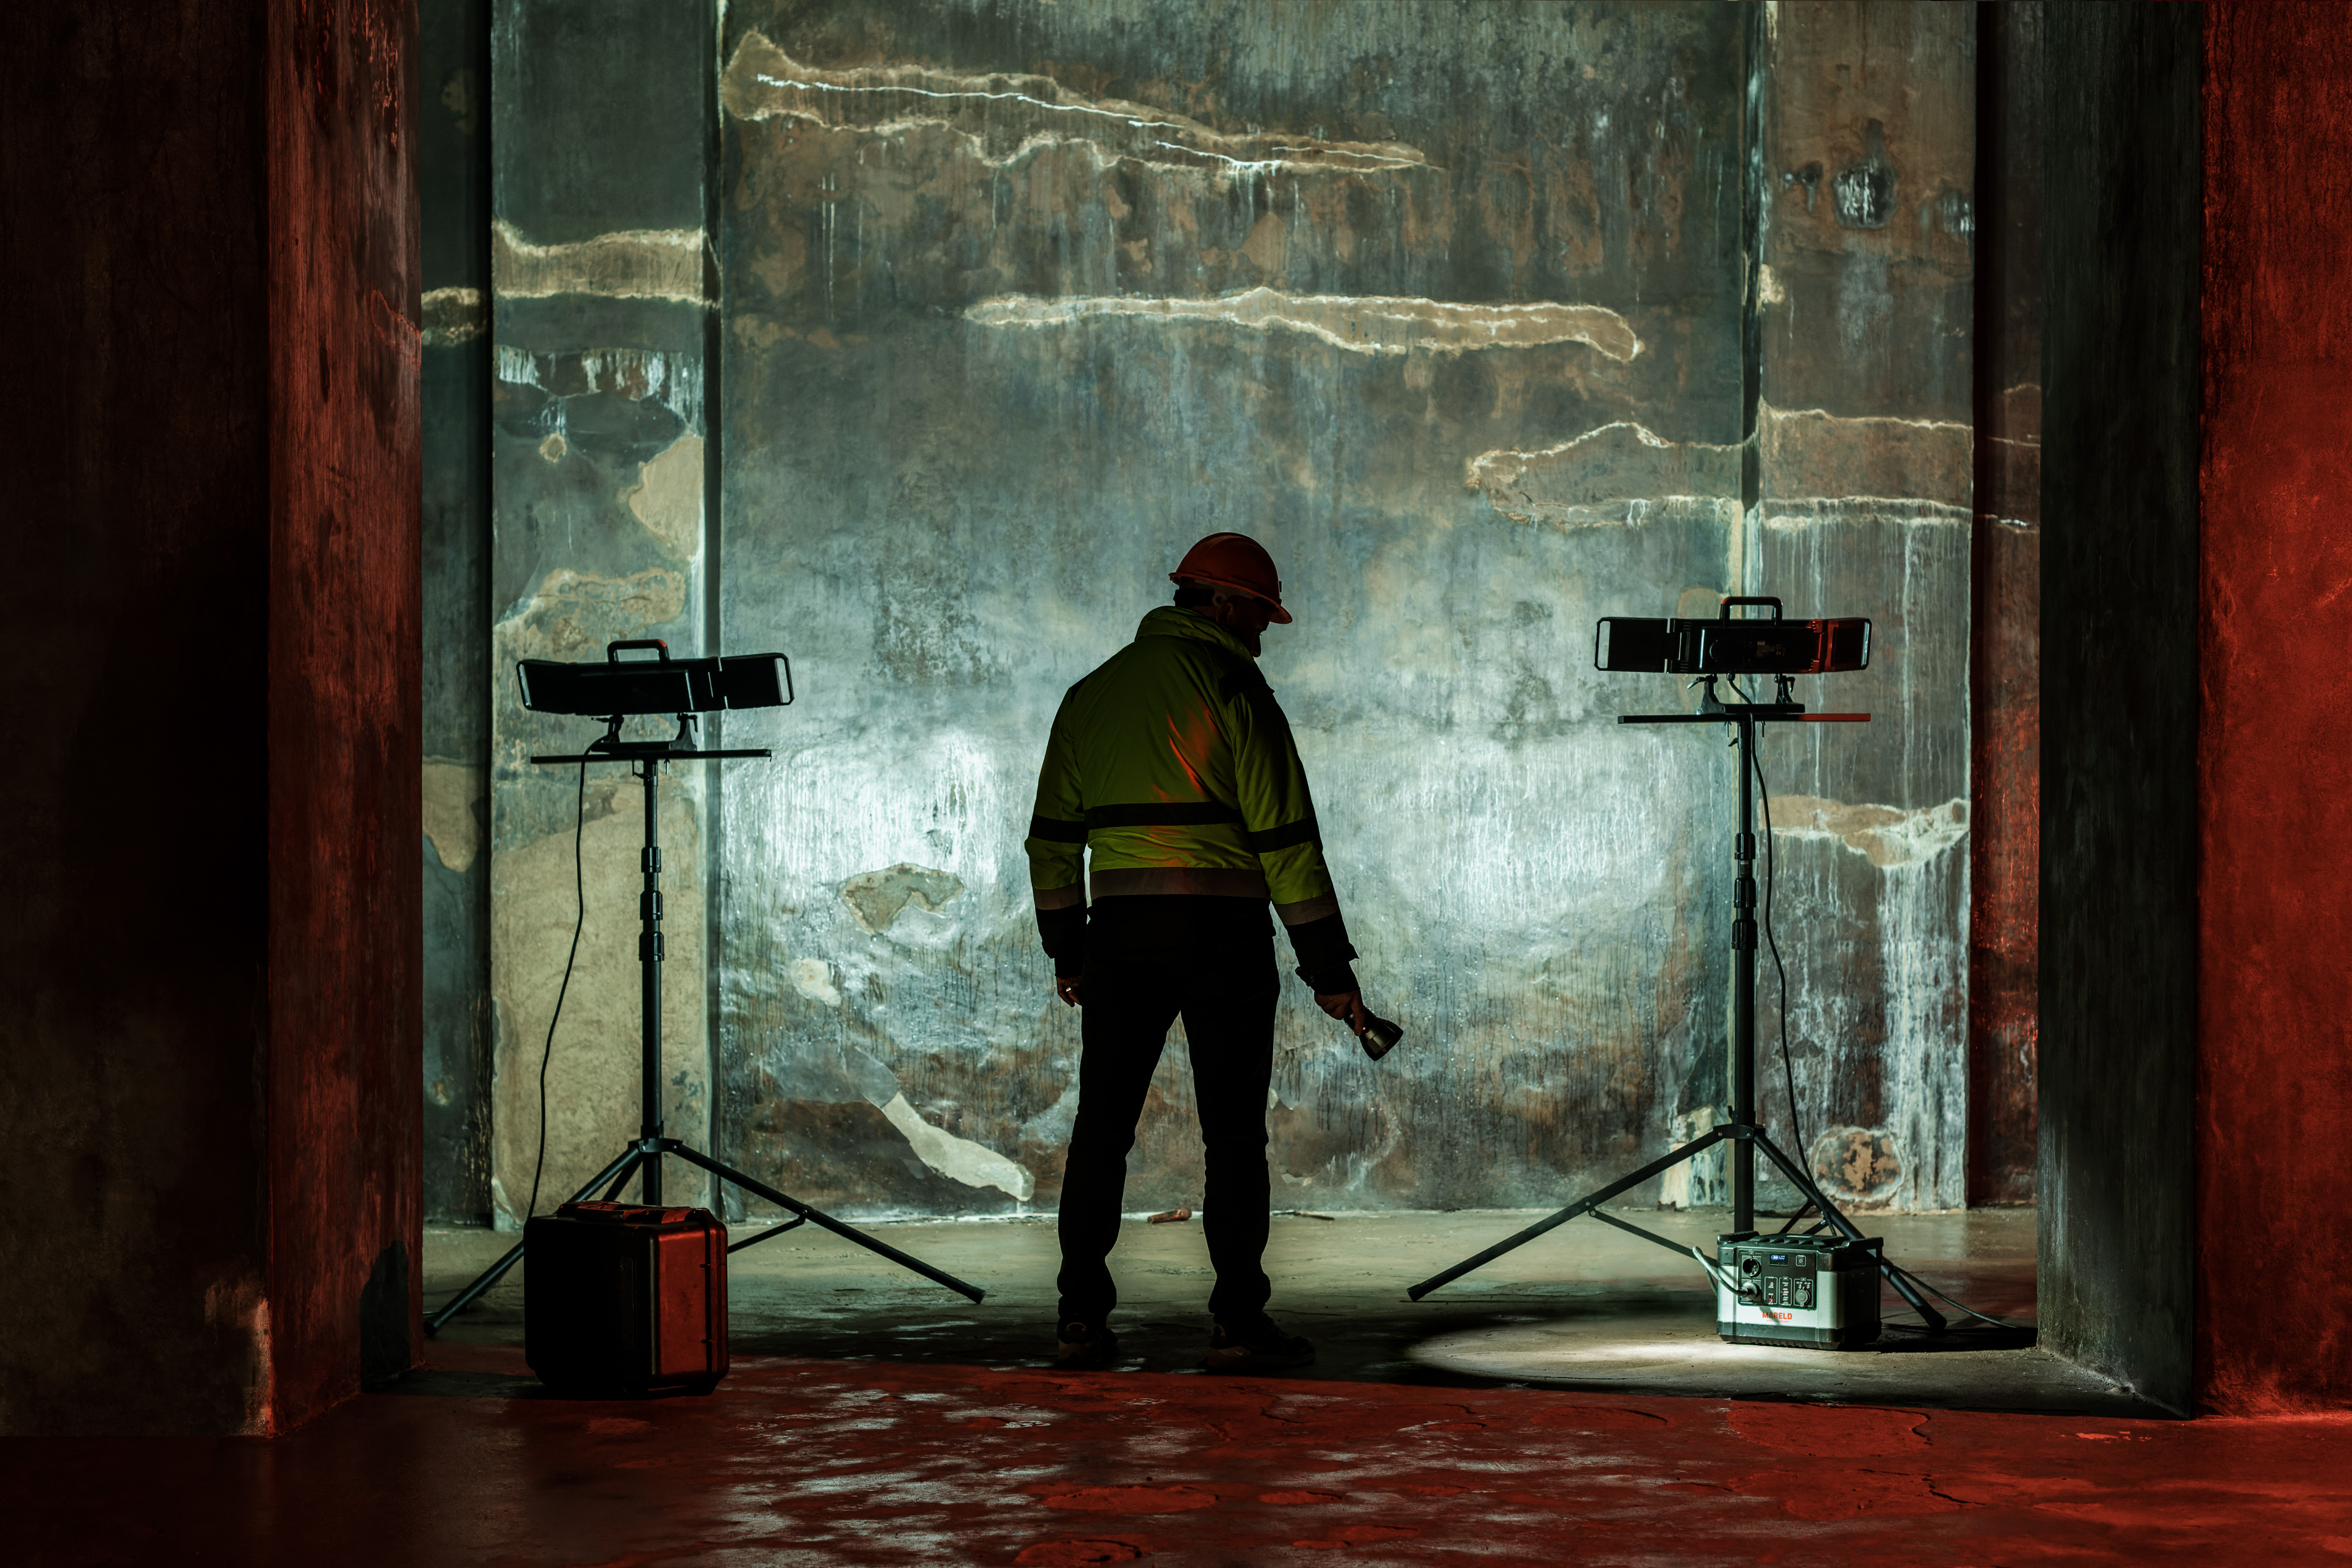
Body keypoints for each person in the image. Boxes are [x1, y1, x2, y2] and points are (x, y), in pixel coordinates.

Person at [1024, 532, 1370, 1372]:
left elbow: (1051, 843)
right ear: (1219, 604)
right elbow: (1288, 843)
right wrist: (1330, 972)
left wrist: (1069, 951)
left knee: (1101, 1131)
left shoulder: (1090, 694)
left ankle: (1080, 1318)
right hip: (1224, 940)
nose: (1264, 633)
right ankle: (1238, 1323)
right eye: (1258, 614)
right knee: (1234, 1138)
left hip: (1120, 941)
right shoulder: (1236, 688)